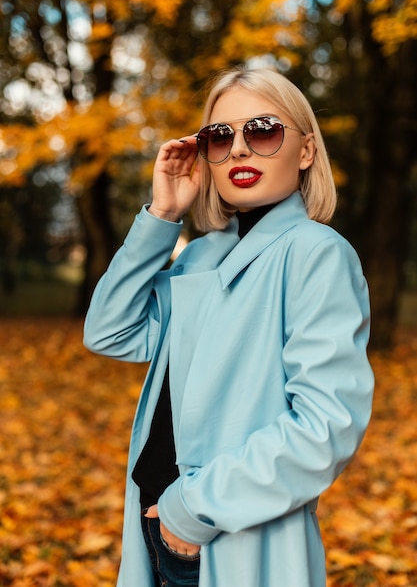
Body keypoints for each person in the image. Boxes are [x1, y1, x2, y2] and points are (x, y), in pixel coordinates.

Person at [84, 66, 374, 587]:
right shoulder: (199, 256)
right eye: (220, 137)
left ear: (305, 151)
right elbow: (111, 331)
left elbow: (326, 425)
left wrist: (191, 511)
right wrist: (162, 216)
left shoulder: (316, 253)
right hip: (152, 530)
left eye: (262, 131)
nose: (239, 149)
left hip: (227, 537)